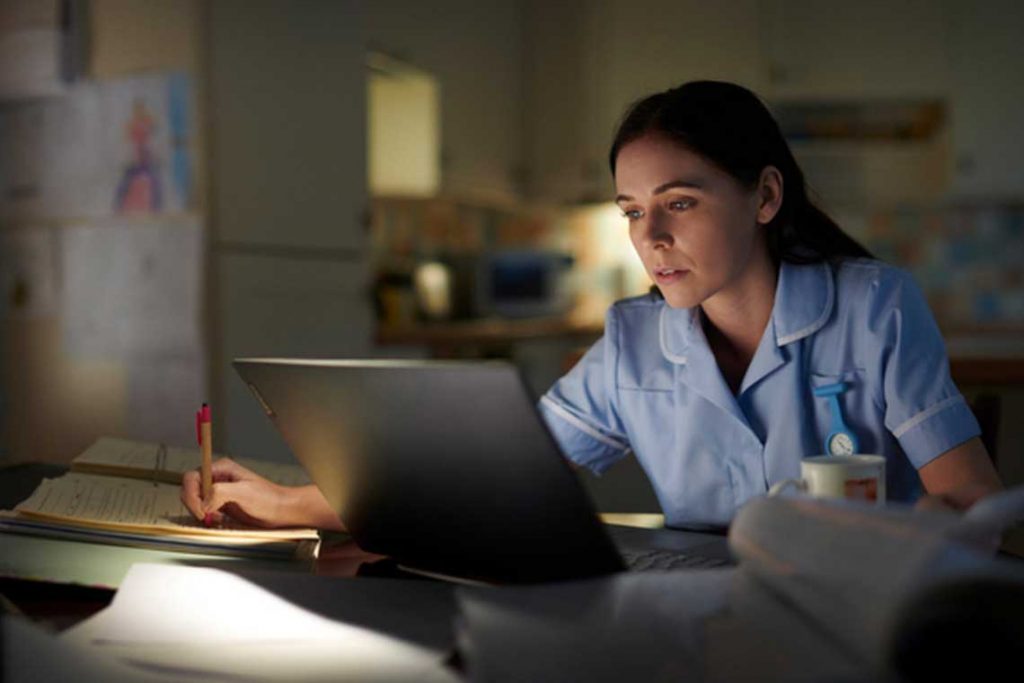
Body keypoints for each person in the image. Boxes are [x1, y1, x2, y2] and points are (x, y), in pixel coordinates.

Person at [181, 80, 1001, 531]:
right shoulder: (632, 344)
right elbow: (480, 478)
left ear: (765, 196)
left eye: (679, 202)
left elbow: (974, 509)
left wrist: (910, 542)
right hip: (702, 625)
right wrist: (293, 502)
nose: (650, 236)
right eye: (633, 210)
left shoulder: (876, 309)